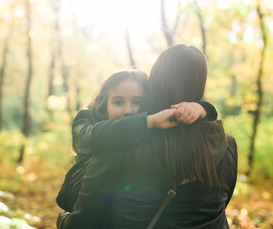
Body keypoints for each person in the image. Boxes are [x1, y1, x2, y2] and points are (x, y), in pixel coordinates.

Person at [59, 44, 237, 228]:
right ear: (201, 83)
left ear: (154, 84)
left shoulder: (119, 146)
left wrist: (62, 218)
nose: (128, 110)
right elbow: (221, 205)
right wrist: (204, 108)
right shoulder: (226, 145)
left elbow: (83, 224)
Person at [56, 69, 218, 215]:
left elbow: (181, 119)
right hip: (83, 207)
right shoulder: (87, 117)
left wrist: (201, 108)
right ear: (104, 102)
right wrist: (148, 122)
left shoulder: (149, 121)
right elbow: (88, 137)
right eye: (118, 102)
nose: (128, 110)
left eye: (137, 102)